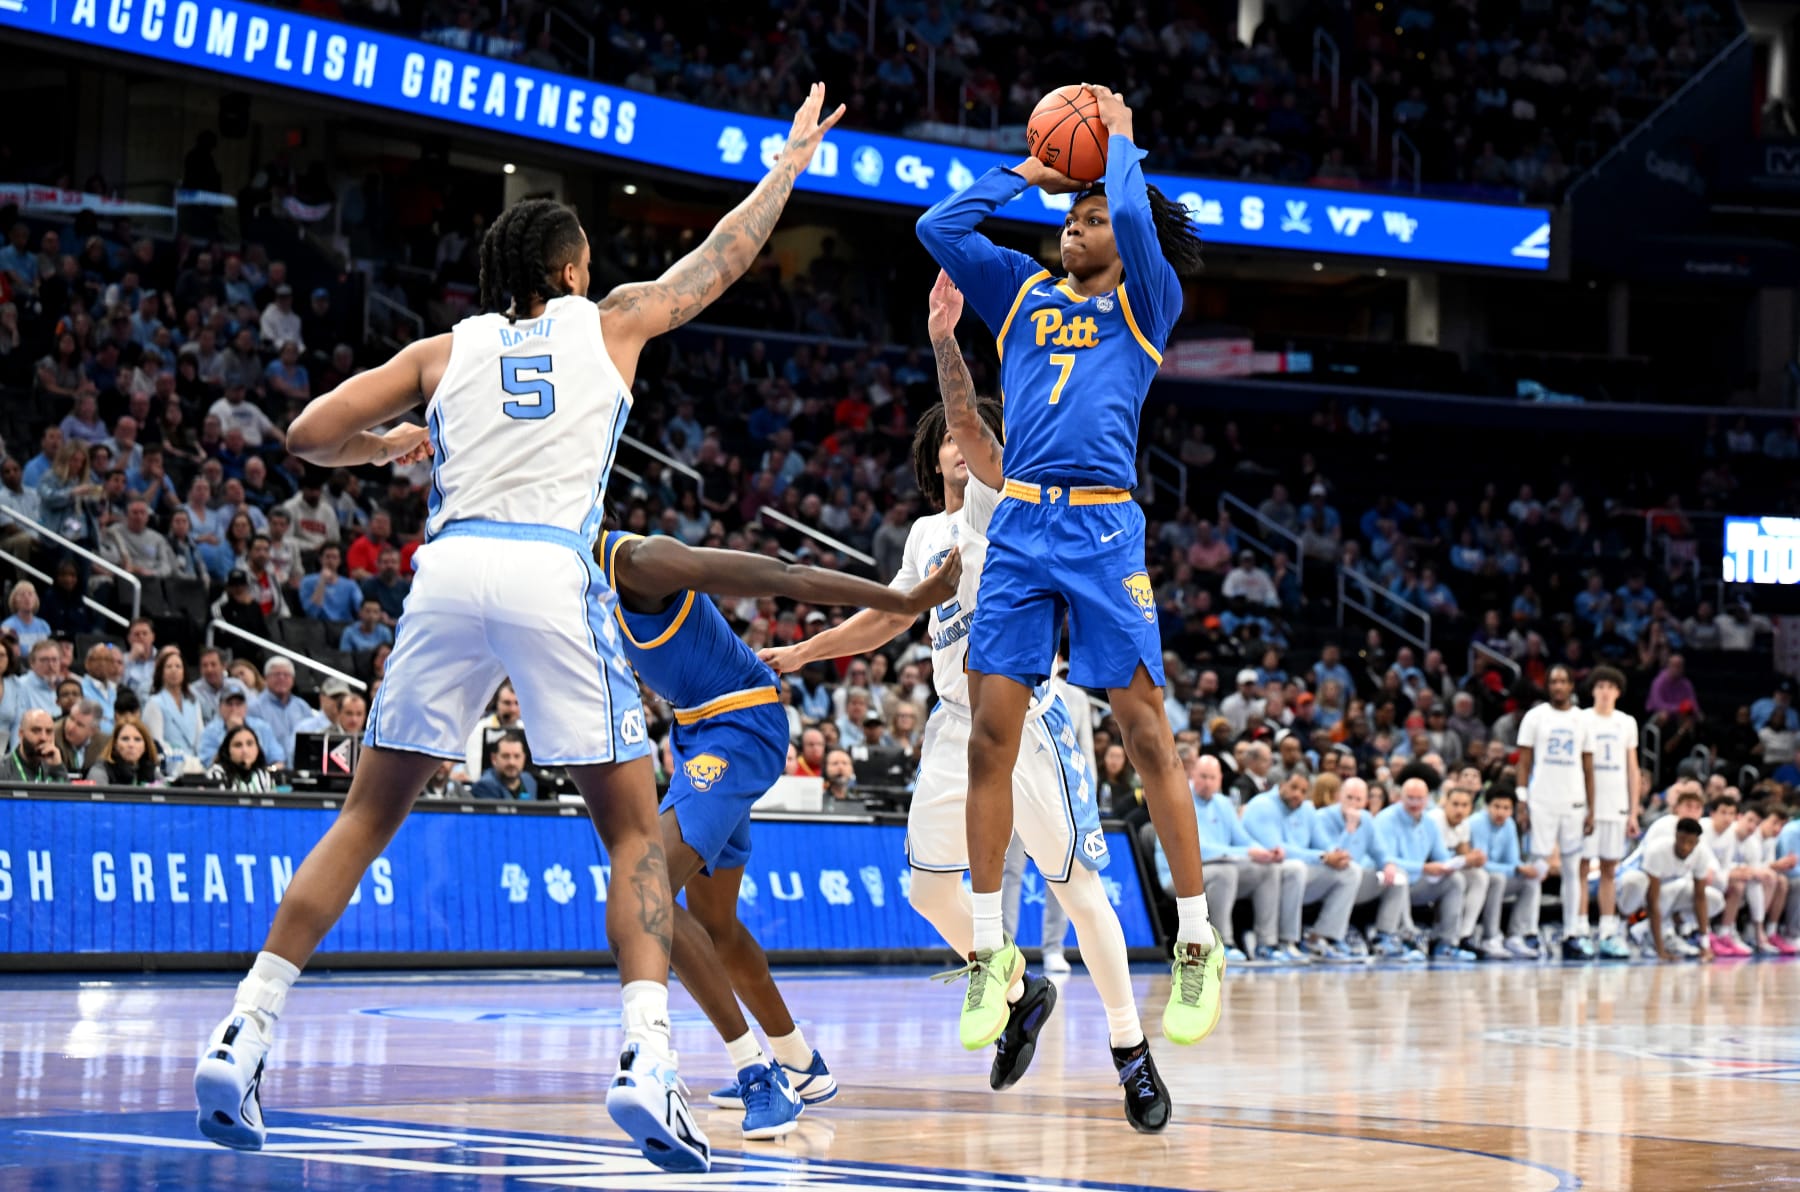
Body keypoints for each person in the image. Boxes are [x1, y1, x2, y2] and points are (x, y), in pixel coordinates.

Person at [194, 86, 844, 1176]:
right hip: (550, 565)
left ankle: (243, 1031)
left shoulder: (443, 351)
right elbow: (722, 258)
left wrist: (392, 446)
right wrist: (785, 168)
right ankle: (647, 1063)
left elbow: (307, 433)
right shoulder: (614, 320)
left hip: (449, 567)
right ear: (573, 271)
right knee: (635, 837)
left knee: (365, 816)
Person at [761, 363, 1172, 1130]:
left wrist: (947, 341)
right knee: (925, 890)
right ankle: (1018, 990)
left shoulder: (1008, 505)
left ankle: (1131, 1054)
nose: (959, 444)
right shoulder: (924, 535)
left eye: (971, 435)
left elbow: (983, 433)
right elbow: (889, 618)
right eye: (948, 437)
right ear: (930, 455)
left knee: (1077, 890)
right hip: (955, 721)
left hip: (1027, 716)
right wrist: (803, 653)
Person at [916, 83, 1219, 1050]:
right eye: (1072, 218)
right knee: (988, 741)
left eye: (1090, 219)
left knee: (1147, 734)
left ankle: (1199, 938)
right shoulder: (1019, 296)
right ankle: (993, 952)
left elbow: (1134, 211)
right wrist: (1031, 172)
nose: (1076, 228)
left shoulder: (1146, 302)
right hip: (1019, 531)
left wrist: (1119, 141)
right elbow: (940, 224)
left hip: (1101, 533)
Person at [600, 524, 953, 1138]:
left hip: (740, 725)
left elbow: (783, 577)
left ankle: (759, 1074)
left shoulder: (642, 561)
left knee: (646, 885)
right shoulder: (572, 588)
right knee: (715, 924)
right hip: (699, 733)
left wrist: (907, 601)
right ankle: (799, 1062)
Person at [1516, 664, 1596, 959]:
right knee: (1537, 868)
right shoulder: (1535, 717)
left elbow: (1589, 767)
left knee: (1573, 870)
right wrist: (1521, 800)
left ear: (1572, 686)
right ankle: (1529, 931)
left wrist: (1592, 808)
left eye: (1564, 681)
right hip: (1541, 801)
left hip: (1574, 802)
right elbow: (1523, 762)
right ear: (1548, 686)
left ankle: (1572, 933)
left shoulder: (1582, 720)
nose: (1559, 686)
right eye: (1554, 682)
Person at [1241, 772, 1359, 961]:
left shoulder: (1307, 810)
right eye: (1294, 788)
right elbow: (1276, 848)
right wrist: (1322, 856)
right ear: (1281, 784)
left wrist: (1335, 853)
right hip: (1266, 870)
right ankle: (1287, 941)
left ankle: (1320, 937)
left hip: (1300, 873)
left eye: (1304, 791)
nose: (1298, 794)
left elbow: (1323, 842)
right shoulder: (1261, 806)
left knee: (1351, 871)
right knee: (1296, 868)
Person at [1374, 777, 1474, 962]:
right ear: (1399, 797)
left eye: (1419, 798)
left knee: (1456, 880)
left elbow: (1442, 857)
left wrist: (1456, 864)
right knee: (1399, 875)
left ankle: (1446, 943)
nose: (1415, 803)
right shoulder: (1385, 819)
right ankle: (1402, 938)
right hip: (1388, 884)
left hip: (1418, 883)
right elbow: (1383, 861)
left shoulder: (1429, 822)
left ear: (1427, 799)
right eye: (1410, 798)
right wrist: (1423, 867)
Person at [1311, 776, 1411, 958]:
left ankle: (1384, 936)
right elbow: (1338, 857)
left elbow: (1381, 851)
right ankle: (1330, 937)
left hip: (1355, 881)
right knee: (1352, 871)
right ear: (1339, 796)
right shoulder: (1321, 818)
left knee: (1398, 876)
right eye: (1349, 797)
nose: (1353, 804)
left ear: (1365, 802)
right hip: (1328, 880)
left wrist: (1388, 864)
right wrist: (1350, 828)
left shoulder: (1366, 819)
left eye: (1358, 799)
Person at [1581, 666, 1642, 959]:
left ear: (1618, 692)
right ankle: (1579, 930)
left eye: (1611, 686)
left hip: (1616, 805)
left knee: (1609, 870)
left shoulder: (1627, 723)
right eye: (1600, 685)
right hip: (1586, 808)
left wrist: (1633, 811)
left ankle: (1607, 931)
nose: (1605, 691)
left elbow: (1633, 768)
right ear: (1593, 690)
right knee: (1581, 869)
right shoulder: (1581, 719)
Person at [1616, 817, 1714, 961]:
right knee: (1637, 882)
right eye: (1682, 840)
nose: (1685, 847)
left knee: (1714, 899)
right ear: (1675, 836)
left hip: (1664, 896)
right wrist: (1661, 952)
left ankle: (1649, 930)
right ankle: (1621, 928)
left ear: (1697, 842)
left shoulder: (1702, 854)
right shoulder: (1657, 850)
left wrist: (1705, 946)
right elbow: (1652, 901)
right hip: (1633, 889)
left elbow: (1700, 898)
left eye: (1691, 843)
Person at [1467, 786, 1545, 958]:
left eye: (1506, 808)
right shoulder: (1476, 822)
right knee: (1498, 879)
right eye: (1496, 807)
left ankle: (1516, 936)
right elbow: (1481, 863)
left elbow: (1513, 860)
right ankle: (1491, 937)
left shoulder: (1509, 824)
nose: (1501, 812)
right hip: (1476, 880)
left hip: (1499, 875)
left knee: (1530, 881)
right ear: (1487, 806)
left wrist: (1526, 869)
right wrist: (1516, 868)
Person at [1425, 784, 1499, 957]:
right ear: (1445, 804)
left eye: (1464, 805)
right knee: (1456, 879)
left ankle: (1465, 934)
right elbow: (1437, 862)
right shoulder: (1434, 820)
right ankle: (1446, 939)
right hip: (1426, 874)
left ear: (1471, 808)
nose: (1459, 809)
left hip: (1445, 872)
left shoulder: (1464, 824)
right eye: (1455, 804)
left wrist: (1475, 859)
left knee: (1479, 876)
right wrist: (1466, 860)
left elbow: (1463, 854)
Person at [143, 645, 204, 770]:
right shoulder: (154, 703)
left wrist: (200, 761)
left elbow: (200, 737)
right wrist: (184, 761)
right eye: (169, 667)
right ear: (161, 672)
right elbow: (157, 743)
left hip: (195, 763)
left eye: (178, 666)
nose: (174, 670)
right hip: (169, 764)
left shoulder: (192, 701)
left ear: (184, 671)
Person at [87, 715, 161, 786]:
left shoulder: (151, 771)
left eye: (137, 739)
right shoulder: (100, 771)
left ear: (145, 746)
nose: (131, 745)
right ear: (115, 744)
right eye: (125, 739)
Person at [0, 708, 69, 782]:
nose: (43, 737)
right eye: (36, 730)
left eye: (49, 732)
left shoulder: (54, 767)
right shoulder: (3, 769)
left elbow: (66, 793)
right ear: (21, 734)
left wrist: (58, 768)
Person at [208, 723, 277, 793]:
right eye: (238, 745)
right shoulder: (216, 774)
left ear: (257, 748)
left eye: (250, 744)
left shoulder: (265, 775)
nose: (245, 750)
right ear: (227, 750)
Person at [469, 732, 537, 801]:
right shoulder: (485, 786)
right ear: (494, 758)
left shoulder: (529, 780)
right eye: (505, 756)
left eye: (517, 756)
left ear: (524, 758)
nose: (511, 762)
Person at [53, 698, 103, 775]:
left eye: (79, 725)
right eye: (71, 718)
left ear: (93, 731)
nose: (71, 727)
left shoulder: (104, 744)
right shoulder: (53, 735)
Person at [2, 580, 52, 651]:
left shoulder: (44, 625)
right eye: (22, 595)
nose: (27, 598)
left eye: (30, 594)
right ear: (14, 600)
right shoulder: (7, 626)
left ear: (35, 599)